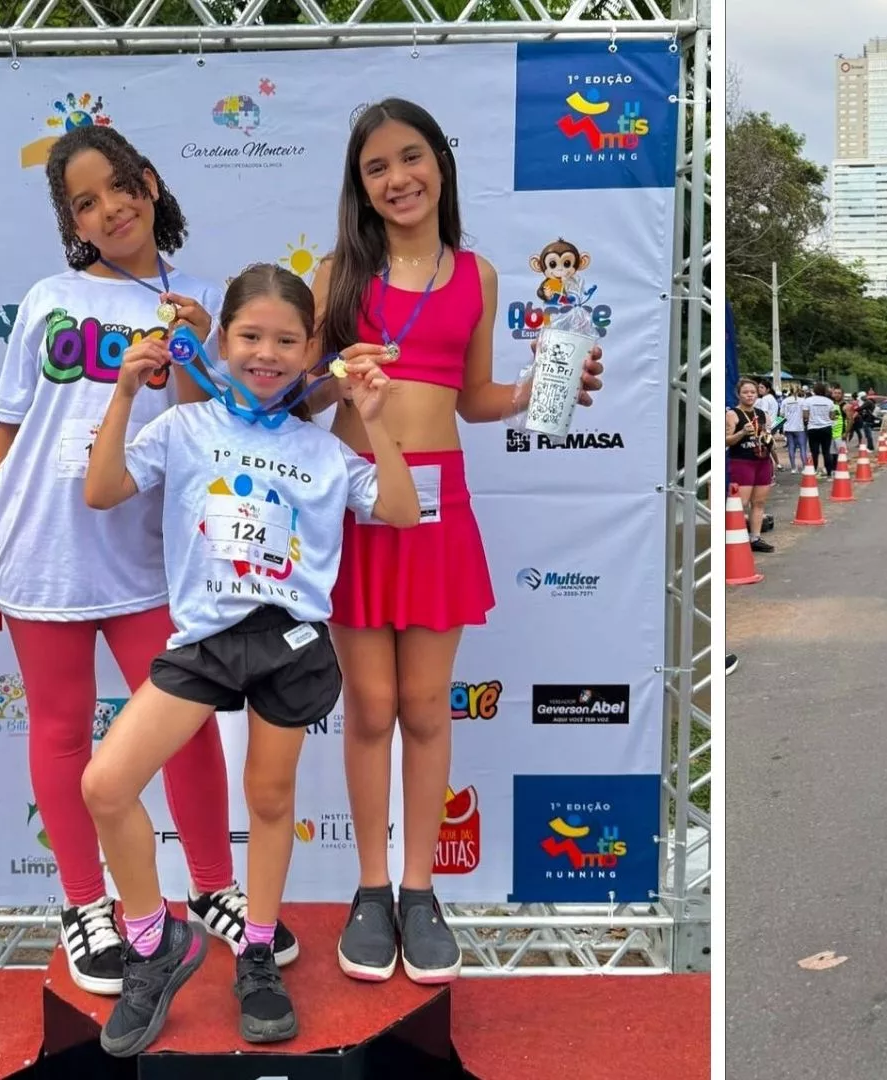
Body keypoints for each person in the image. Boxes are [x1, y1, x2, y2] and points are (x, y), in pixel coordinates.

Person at [0, 125, 282, 996]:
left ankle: (212, 889)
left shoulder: (209, 299)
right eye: (83, 203)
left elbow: (229, 427)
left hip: (147, 554)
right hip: (38, 544)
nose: (107, 208)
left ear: (152, 184)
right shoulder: (48, 295)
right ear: (74, 223)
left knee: (188, 725)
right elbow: (10, 429)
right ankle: (87, 902)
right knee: (59, 729)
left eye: (118, 186)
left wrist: (203, 349)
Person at [78, 265, 423, 1055]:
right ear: (221, 342)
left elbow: (400, 511)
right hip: (203, 642)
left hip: (290, 643)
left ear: (311, 355)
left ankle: (258, 952)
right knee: (105, 784)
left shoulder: (319, 447)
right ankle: (149, 945)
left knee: (269, 799)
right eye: (251, 337)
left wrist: (369, 417)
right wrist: (126, 392)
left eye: (287, 341)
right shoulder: (185, 427)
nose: (267, 354)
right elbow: (102, 492)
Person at [307, 98, 605, 986]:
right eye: (376, 168)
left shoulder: (477, 274)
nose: (397, 179)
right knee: (368, 705)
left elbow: (472, 397)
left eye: (410, 158)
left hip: (441, 511)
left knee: (428, 707)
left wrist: (541, 387)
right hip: (359, 506)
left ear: (440, 161)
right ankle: (369, 891)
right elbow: (299, 400)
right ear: (359, 188)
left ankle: (420, 888)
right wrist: (334, 377)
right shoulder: (336, 275)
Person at [726, 379, 776, 553]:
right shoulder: (732, 414)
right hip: (742, 461)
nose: (749, 395)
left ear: (758, 394)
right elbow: (726, 440)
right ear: (739, 394)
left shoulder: (763, 414)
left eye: (753, 392)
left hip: (762, 461)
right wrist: (742, 432)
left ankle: (755, 537)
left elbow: (768, 436)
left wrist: (769, 441)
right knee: (741, 502)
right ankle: (735, 537)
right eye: (746, 392)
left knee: (759, 502)